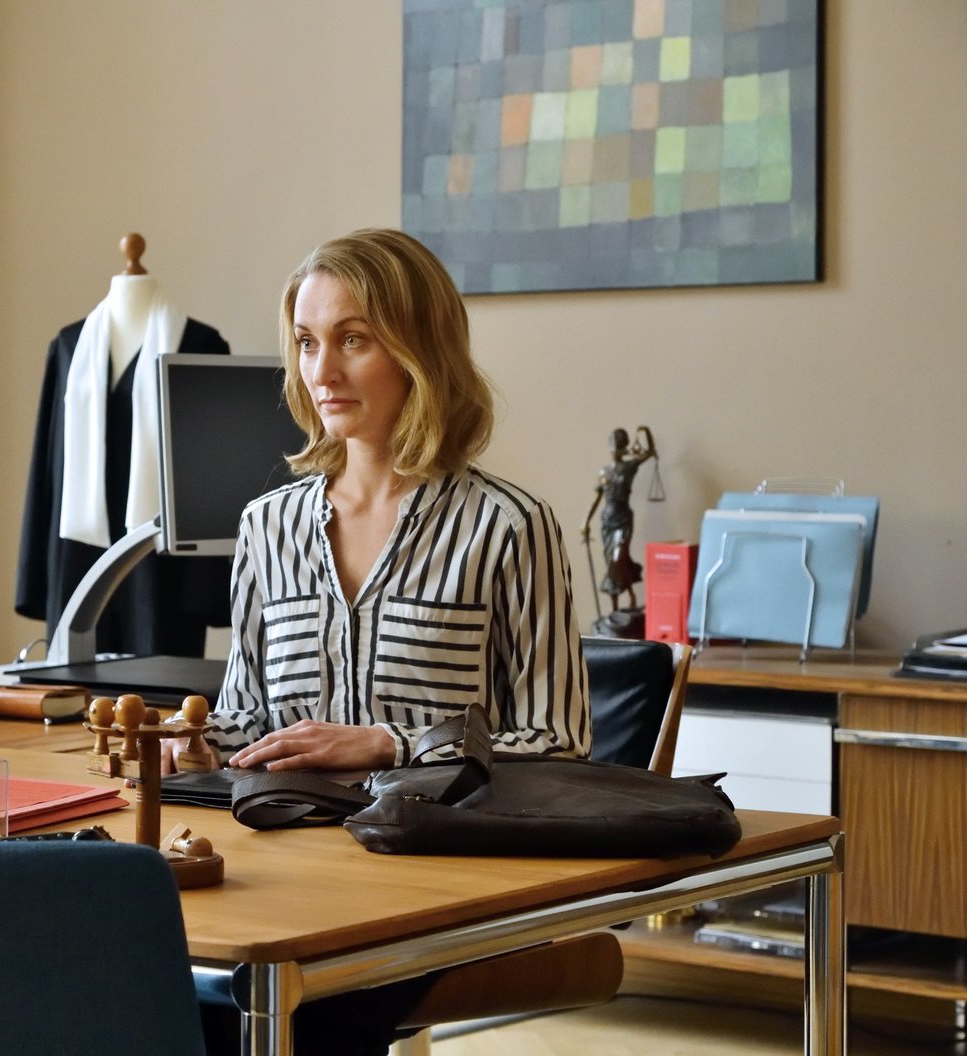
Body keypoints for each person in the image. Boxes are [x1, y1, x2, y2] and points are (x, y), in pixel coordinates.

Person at [175, 228, 590, 1056]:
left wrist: (389, 744)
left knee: (302, 1017)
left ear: (419, 350)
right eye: (306, 343)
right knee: (158, 987)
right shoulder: (267, 526)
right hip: (290, 869)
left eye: (353, 340)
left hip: (437, 878)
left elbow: (560, 745)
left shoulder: (510, 526)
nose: (321, 372)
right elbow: (248, 717)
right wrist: (192, 744)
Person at [580, 426, 657, 613]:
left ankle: (629, 596)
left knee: (617, 558)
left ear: (623, 448)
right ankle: (615, 609)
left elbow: (650, 452)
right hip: (607, 520)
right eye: (613, 446)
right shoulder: (604, 472)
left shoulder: (630, 467)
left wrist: (645, 431)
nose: (614, 450)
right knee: (612, 563)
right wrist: (586, 521)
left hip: (623, 519)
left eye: (618, 447)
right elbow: (596, 498)